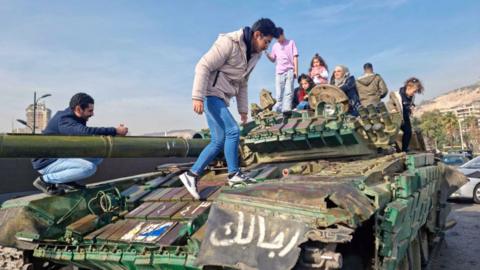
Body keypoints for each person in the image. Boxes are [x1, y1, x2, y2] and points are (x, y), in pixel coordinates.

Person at [180, 18, 279, 199]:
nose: (267, 47)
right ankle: (234, 174)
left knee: (218, 141)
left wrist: (243, 109)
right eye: (266, 42)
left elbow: (243, 83)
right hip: (211, 94)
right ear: (257, 35)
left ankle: (191, 175)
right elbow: (203, 65)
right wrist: (197, 96)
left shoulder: (254, 55)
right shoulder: (229, 43)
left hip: (222, 98)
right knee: (233, 130)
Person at [31, 93, 128, 195]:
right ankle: (45, 180)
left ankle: (65, 181)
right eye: (90, 111)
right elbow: (86, 132)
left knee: (98, 156)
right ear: (78, 109)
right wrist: (115, 130)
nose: (92, 114)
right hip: (47, 163)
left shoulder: (74, 117)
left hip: (60, 156)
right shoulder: (65, 120)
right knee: (89, 168)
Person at [265, 27, 299, 113]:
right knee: (279, 93)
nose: (278, 40)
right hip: (279, 72)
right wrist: (267, 54)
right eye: (276, 38)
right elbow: (273, 59)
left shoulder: (291, 43)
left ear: (283, 34)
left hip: (289, 70)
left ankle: (287, 109)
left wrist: (296, 71)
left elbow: (295, 57)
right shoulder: (275, 46)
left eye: (279, 37)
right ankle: (277, 109)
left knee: (289, 92)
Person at [387, 77, 424, 152]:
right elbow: (389, 103)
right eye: (414, 91)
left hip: (405, 116)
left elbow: (410, 104)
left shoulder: (412, 96)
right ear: (408, 87)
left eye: (415, 92)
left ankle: (404, 149)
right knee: (393, 133)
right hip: (396, 117)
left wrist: (412, 107)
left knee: (408, 132)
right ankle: (391, 149)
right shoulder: (396, 95)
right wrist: (393, 109)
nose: (414, 93)